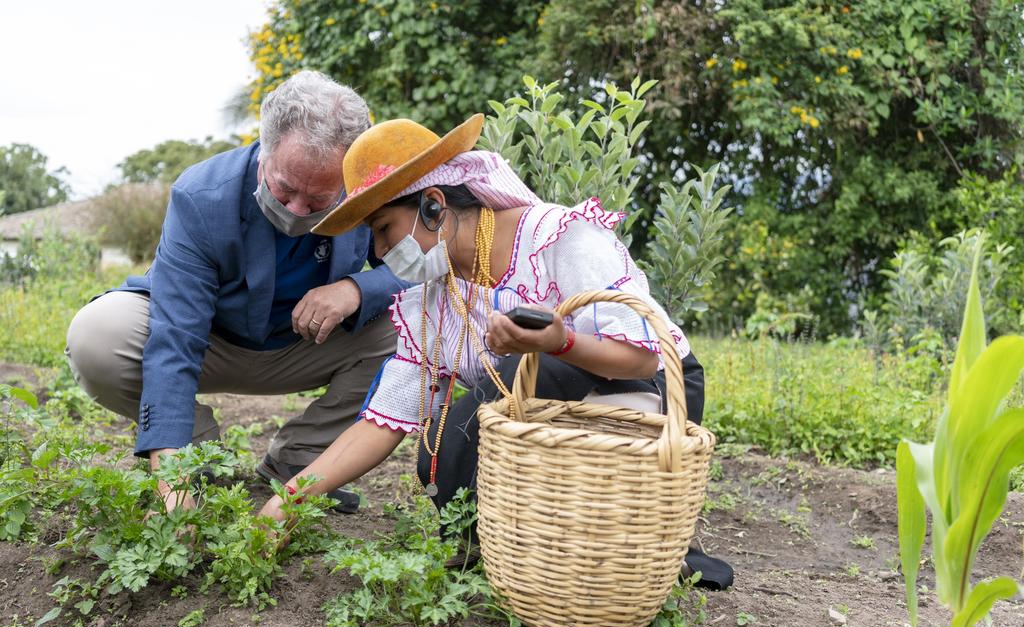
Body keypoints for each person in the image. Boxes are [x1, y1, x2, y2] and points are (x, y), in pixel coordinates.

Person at [256, 113, 707, 531]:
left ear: (433, 205)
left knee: (521, 373)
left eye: (383, 228)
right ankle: (514, 543)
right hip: (547, 407)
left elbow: (643, 360)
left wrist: (560, 343)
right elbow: (384, 422)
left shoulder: (560, 238)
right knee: (444, 444)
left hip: (643, 396)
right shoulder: (436, 297)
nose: (377, 252)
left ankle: (617, 530)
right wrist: (289, 500)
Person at [65, 71, 405, 514]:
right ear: (264, 149)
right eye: (284, 188)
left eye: (319, 199)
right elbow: (176, 339)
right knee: (97, 334)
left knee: (415, 325)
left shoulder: (369, 190)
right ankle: (197, 449)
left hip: (303, 345)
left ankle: (301, 459)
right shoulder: (202, 197)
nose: (297, 210)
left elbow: (419, 267)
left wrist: (357, 288)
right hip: (211, 340)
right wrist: (173, 476)